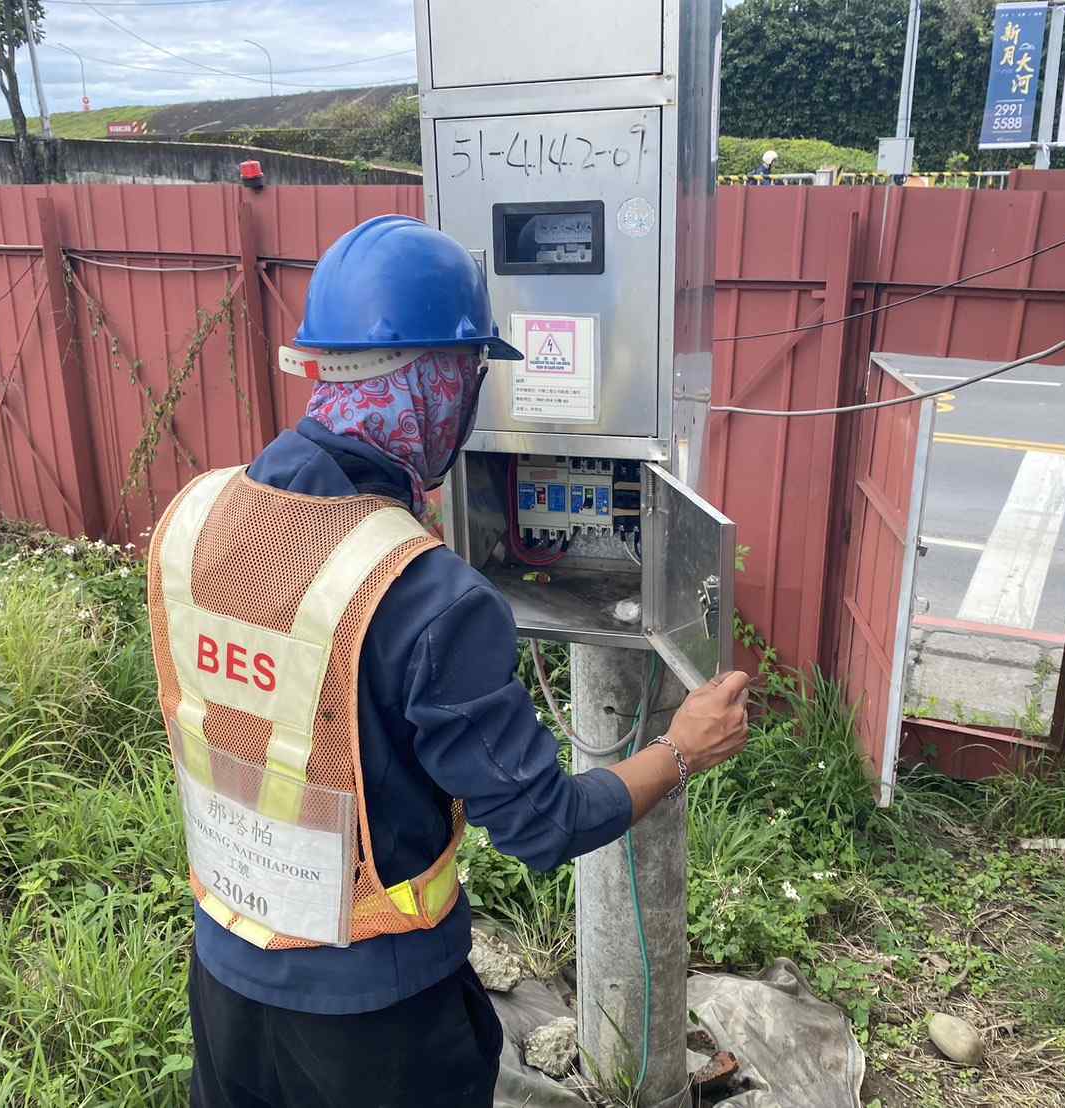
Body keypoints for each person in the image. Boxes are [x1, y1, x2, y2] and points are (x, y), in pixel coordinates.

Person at [146, 214, 752, 1108]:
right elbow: (543, 827)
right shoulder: (425, 592)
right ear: (440, 388)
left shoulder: (194, 519)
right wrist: (682, 749)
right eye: (470, 379)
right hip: (376, 1017)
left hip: (226, 968)